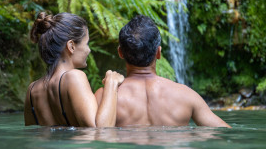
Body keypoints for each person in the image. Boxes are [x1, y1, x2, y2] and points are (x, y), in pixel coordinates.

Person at [95, 15, 231, 128]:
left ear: (120, 53)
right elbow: (225, 133)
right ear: (158, 53)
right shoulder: (187, 95)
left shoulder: (105, 97)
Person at [24, 12, 124, 127]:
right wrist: (111, 83)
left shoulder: (32, 90)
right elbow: (100, 131)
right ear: (71, 46)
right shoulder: (74, 77)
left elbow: (32, 133)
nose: (89, 50)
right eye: (87, 43)